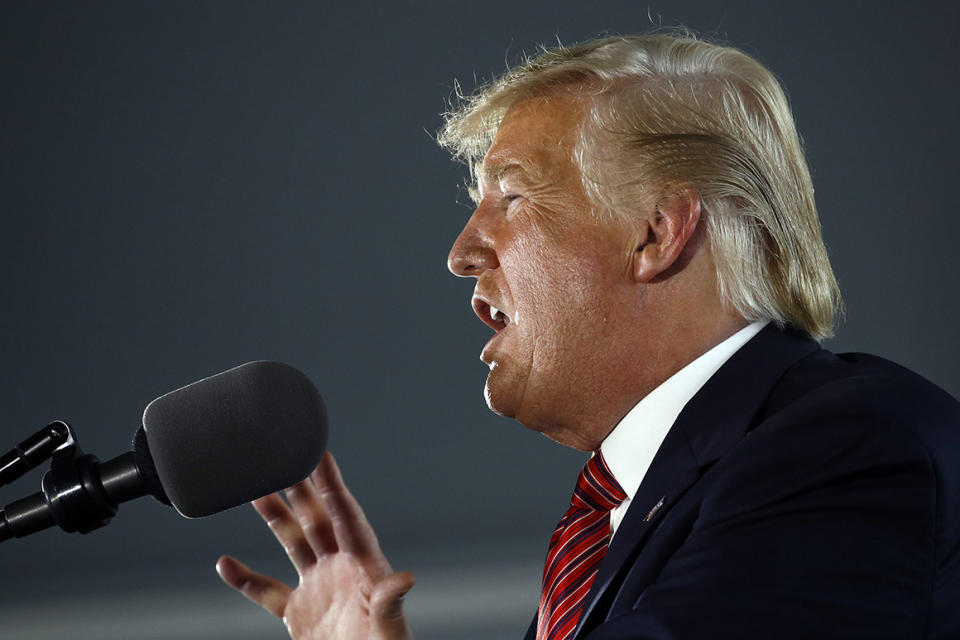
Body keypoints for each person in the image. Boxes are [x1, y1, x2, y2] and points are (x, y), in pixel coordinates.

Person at [215, 32, 960, 639]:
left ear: (656, 232)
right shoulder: (630, 513)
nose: (461, 251)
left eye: (511, 195)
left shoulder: (850, 444)